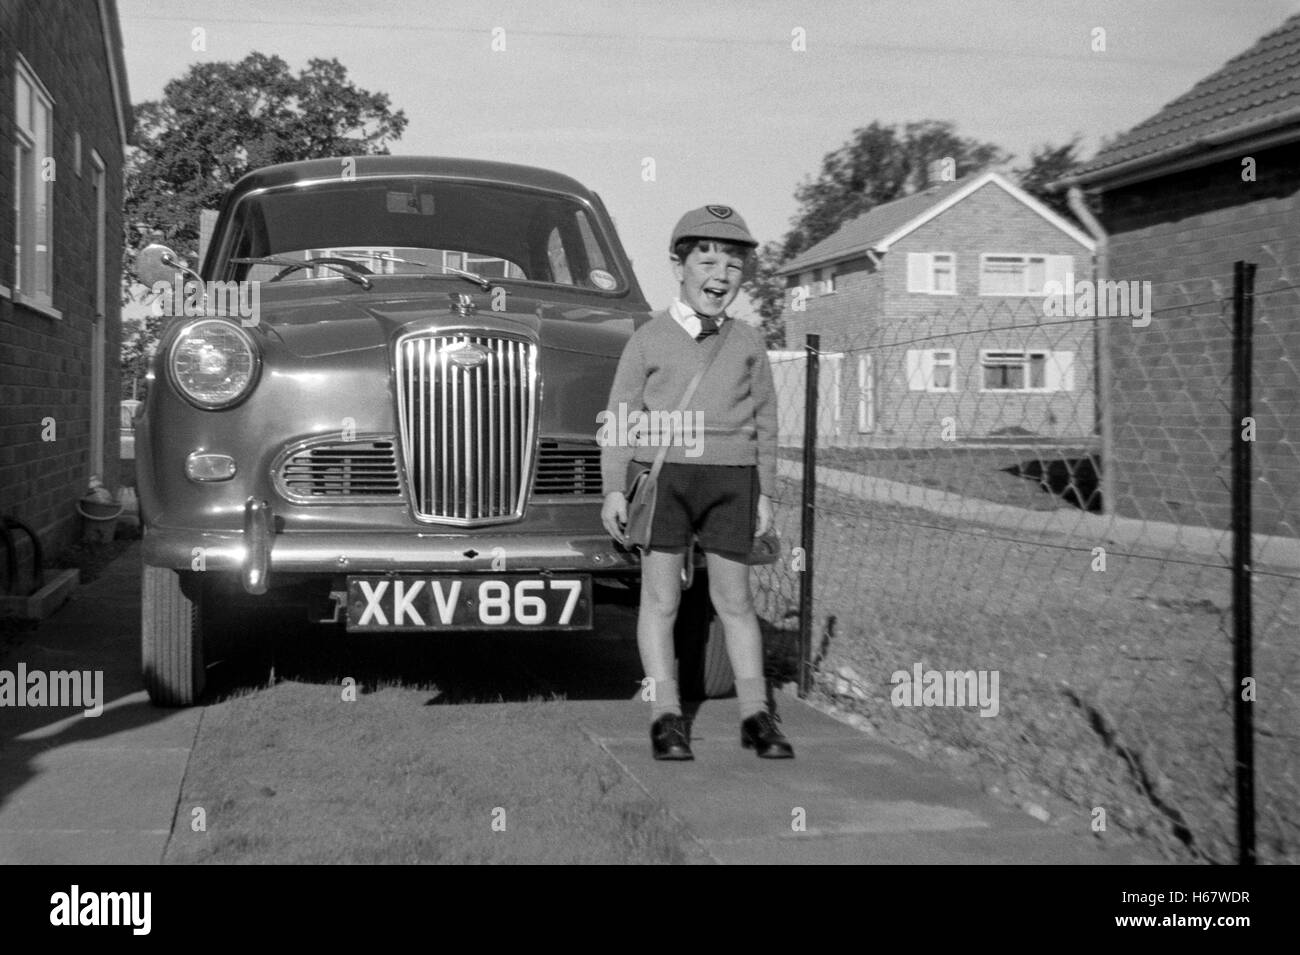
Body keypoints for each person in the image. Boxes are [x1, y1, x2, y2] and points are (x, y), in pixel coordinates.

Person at [599, 205, 793, 761]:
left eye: (734, 263)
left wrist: (767, 493)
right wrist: (615, 487)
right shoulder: (646, 339)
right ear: (678, 266)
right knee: (659, 601)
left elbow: (768, 420)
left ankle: (757, 715)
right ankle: (665, 716)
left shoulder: (750, 341)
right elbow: (620, 416)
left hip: (732, 483)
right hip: (664, 480)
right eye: (706, 259)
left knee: (735, 601)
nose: (721, 273)